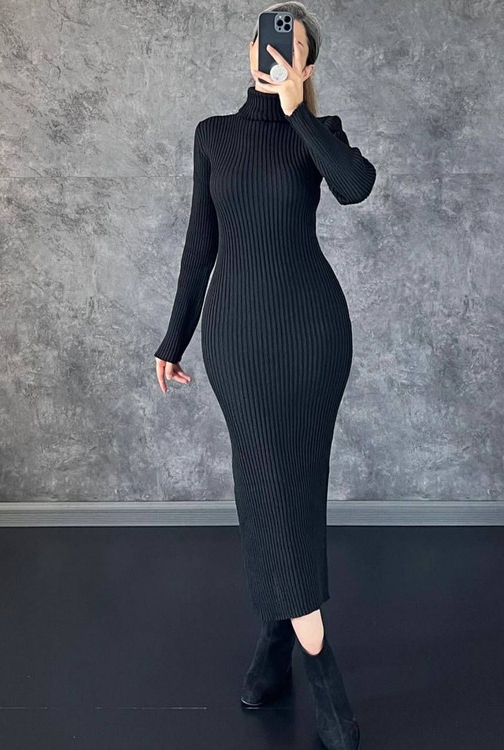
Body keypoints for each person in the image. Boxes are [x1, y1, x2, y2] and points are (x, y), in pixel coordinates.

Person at [154, 4, 375, 748]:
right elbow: (200, 243)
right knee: (265, 486)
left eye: (295, 45)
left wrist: (297, 110)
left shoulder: (318, 131)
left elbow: (355, 186)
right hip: (238, 341)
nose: (277, 51)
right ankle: (320, 669)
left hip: (313, 335)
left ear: (306, 62)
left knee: (298, 484)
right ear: (250, 47)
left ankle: (278, 640)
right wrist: (173, 339)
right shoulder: (213, 135)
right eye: (270, 39)